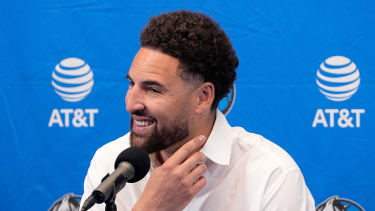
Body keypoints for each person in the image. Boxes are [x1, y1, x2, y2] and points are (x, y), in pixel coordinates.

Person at [80, 10, 315, 211]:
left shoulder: (271, 174)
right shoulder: (110, 163)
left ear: (203, 97)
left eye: (153, 89)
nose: (131, 103)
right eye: (132, 84)